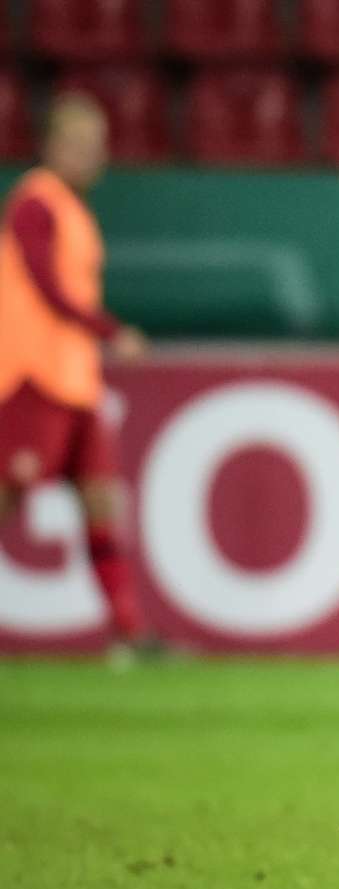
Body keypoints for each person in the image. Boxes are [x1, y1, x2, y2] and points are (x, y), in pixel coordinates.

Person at [0, 93, 153, 659]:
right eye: (78, 143)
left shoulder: (71, 208)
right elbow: (46, 285)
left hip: (74, 381)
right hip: (29, 376)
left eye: (97, 145)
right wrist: (112, 331)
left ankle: (130, 635)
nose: (91, 155)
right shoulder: (35, 202)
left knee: (100, 500)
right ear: (49, 146)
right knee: (9, 495)